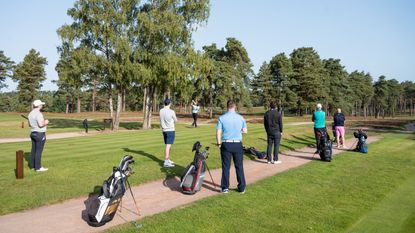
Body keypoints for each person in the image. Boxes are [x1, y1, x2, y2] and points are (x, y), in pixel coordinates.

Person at [216, 100, 247, 194]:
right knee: (239, 166)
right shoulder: (241, 118)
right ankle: (241, 188)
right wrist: (238, 131)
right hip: (237, 144)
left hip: (226, 144)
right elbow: (245, 131)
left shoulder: (222, 118)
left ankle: (225, 187)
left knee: (226, 166)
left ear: (227, 106)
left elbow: (218, 132)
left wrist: (219, 143)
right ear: (235, 107)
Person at [28, 99, 49, 172]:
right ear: (39, 105)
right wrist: (46, 122)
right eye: (41, 104)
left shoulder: (30, 113)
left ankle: (33, 166)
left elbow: (30, 124)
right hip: (40, 134)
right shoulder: (38, 113)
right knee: (38, 151)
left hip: (33, 133)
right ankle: (38, 167)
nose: (42, 105)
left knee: (33, 150)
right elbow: (40, 125)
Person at [159, 99, 177, 168]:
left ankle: (168, 159)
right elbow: (175, 120)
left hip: (164, 130)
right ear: (170, 103)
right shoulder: (172, 111)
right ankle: (166, 161)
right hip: (170, 130)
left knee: (168, 145)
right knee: (168, 146)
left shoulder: (161, 110)